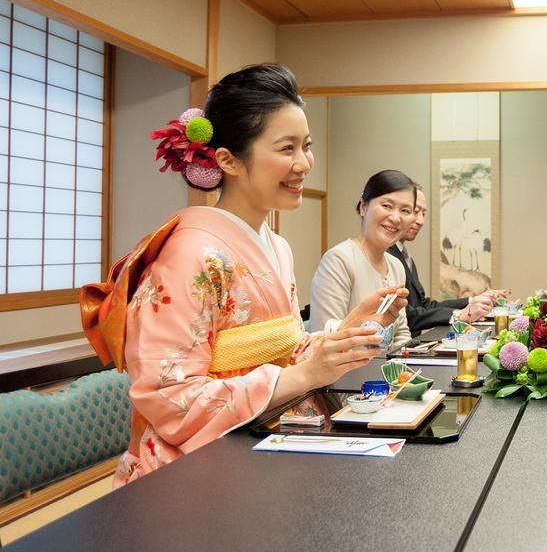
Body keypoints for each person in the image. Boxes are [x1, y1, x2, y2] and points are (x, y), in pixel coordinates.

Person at [81, 64, 406, 486]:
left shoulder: (277, 246)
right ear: (228, 160)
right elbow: (168, 395)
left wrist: (348, 329)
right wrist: (303, 375)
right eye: (286, 148)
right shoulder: (188, 253)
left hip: (259, 442)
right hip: (189, 471)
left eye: (306, 146)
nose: (304, 163)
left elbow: (285, 353)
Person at [309, 170, 416, 347]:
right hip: (346, 373)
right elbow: (324, 341)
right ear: (363, 207)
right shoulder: (339, 260)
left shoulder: (396, 266)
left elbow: (401, 333)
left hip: (385, 372)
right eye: (387, 206)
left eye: (405, 210)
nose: (396, 218)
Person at [388, 187, 499, 335]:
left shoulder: (404, 255)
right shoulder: (387, 255)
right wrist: (458, 315)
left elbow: (423, 305)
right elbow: (404, 314)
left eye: (423, 213)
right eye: (414, 211)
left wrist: (471, 301)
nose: (420, 221)